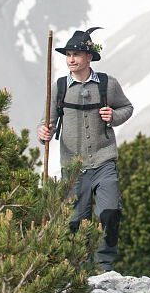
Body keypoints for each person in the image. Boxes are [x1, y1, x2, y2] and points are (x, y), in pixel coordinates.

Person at [38, 27, 133, 272]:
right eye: (68, 54)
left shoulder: (107, 85)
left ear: (89, 57)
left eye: (77, 54)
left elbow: (127, 108)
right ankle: (79, 273)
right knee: (76, 222)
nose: (71, 59)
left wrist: (113, 116)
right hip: (73, 166)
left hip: (104, 161)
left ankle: (105, 268)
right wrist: (44, 133)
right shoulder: (58, 87)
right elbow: (45, 123)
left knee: (109, 213)